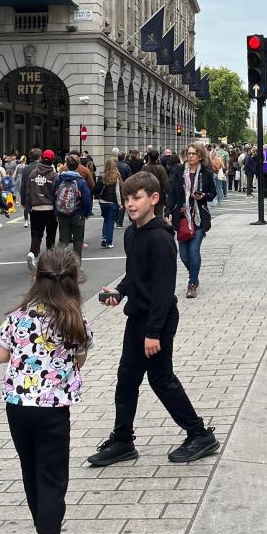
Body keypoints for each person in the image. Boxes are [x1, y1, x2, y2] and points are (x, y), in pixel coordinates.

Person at [88, 171, 219, 467]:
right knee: (127, 380)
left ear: (154, 199)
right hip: (138, 318)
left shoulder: (160, 238)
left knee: (161, 380)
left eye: (137, 198)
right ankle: (123, 441)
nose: (130, 204)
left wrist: (154, 333)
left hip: (156, 321)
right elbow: (134, 276)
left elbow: (162, 291)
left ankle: (200, 435)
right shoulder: (133, 232)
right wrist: (119, 292)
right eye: (127, 198)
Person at [0, 246, 94, 534]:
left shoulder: (18, 315)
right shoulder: (74, 320)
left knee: (30, 470)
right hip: (53, 410)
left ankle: (42, 528)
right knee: (53, 479)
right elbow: (79, 359)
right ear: (73, 282)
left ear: (36, 279)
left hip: (18, 408)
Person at [165, 140, 217, 299]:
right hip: (181, 217)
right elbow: (173, 193)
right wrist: (168, 210)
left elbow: (212, 193)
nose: (191, 156)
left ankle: (192, 283)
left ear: (200, 156)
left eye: (194, 153)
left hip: (198, 218)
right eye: (189, 154)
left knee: (194, 251)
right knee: (184, 255)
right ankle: (194, 273)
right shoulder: (179, 170)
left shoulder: (206, 173)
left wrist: (203, 196)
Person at [53, 154, 92, 275]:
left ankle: (54, 262)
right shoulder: (80, 181)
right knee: (78, 242)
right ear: (78, 165)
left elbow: (54, 194)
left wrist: (57, 210)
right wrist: (86, 212)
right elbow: (87, 198)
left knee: (63, 240)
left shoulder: (60, 179)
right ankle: (76, 267)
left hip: (62, 213)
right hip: (78, 214)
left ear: (66, 165)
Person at [26, 149, 58, 271]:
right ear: (52, 160)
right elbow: (56, 193)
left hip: (36, 208)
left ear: (41, 159)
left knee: (36, 234)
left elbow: (28, 192)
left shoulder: (33, 174)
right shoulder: (54, 175)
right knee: (50, 235)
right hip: (50, 208)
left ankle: (32, 254)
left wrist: (29, 206)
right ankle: (49, 261)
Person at [95, 159, 123, 249]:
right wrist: (120, 204)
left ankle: (104, 238)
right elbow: (117, 191)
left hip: (103, 202)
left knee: (106, 220)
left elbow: (96, 189)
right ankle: (109, 242)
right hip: (112, 202)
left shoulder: (101, 176)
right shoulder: (116, 176)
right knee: (111, 221)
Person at [142, 148, 170, 215]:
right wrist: (169, 193)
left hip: (147, 195)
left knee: (147, 216)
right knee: (158, 215)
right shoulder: (161, 169)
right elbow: (165, 184)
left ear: (148, 157)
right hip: (159, 195)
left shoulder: (144, 168)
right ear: (158, 157)